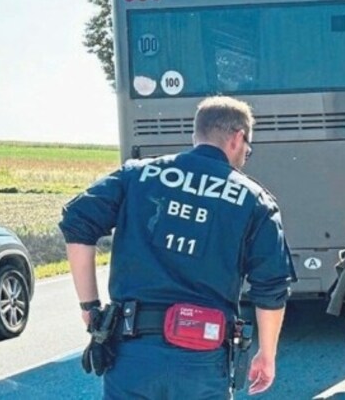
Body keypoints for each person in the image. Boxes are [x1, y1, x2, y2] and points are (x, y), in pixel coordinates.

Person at [60, 96, 295, 399]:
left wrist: (89, 307)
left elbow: (77, 221)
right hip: (203, 356)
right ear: (238, 138)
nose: (246, 154)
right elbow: (272, 285)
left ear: (196, 135)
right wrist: (267, 354)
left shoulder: (137, 174)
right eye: (248, 148)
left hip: (132, 352)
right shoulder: (255, 200)